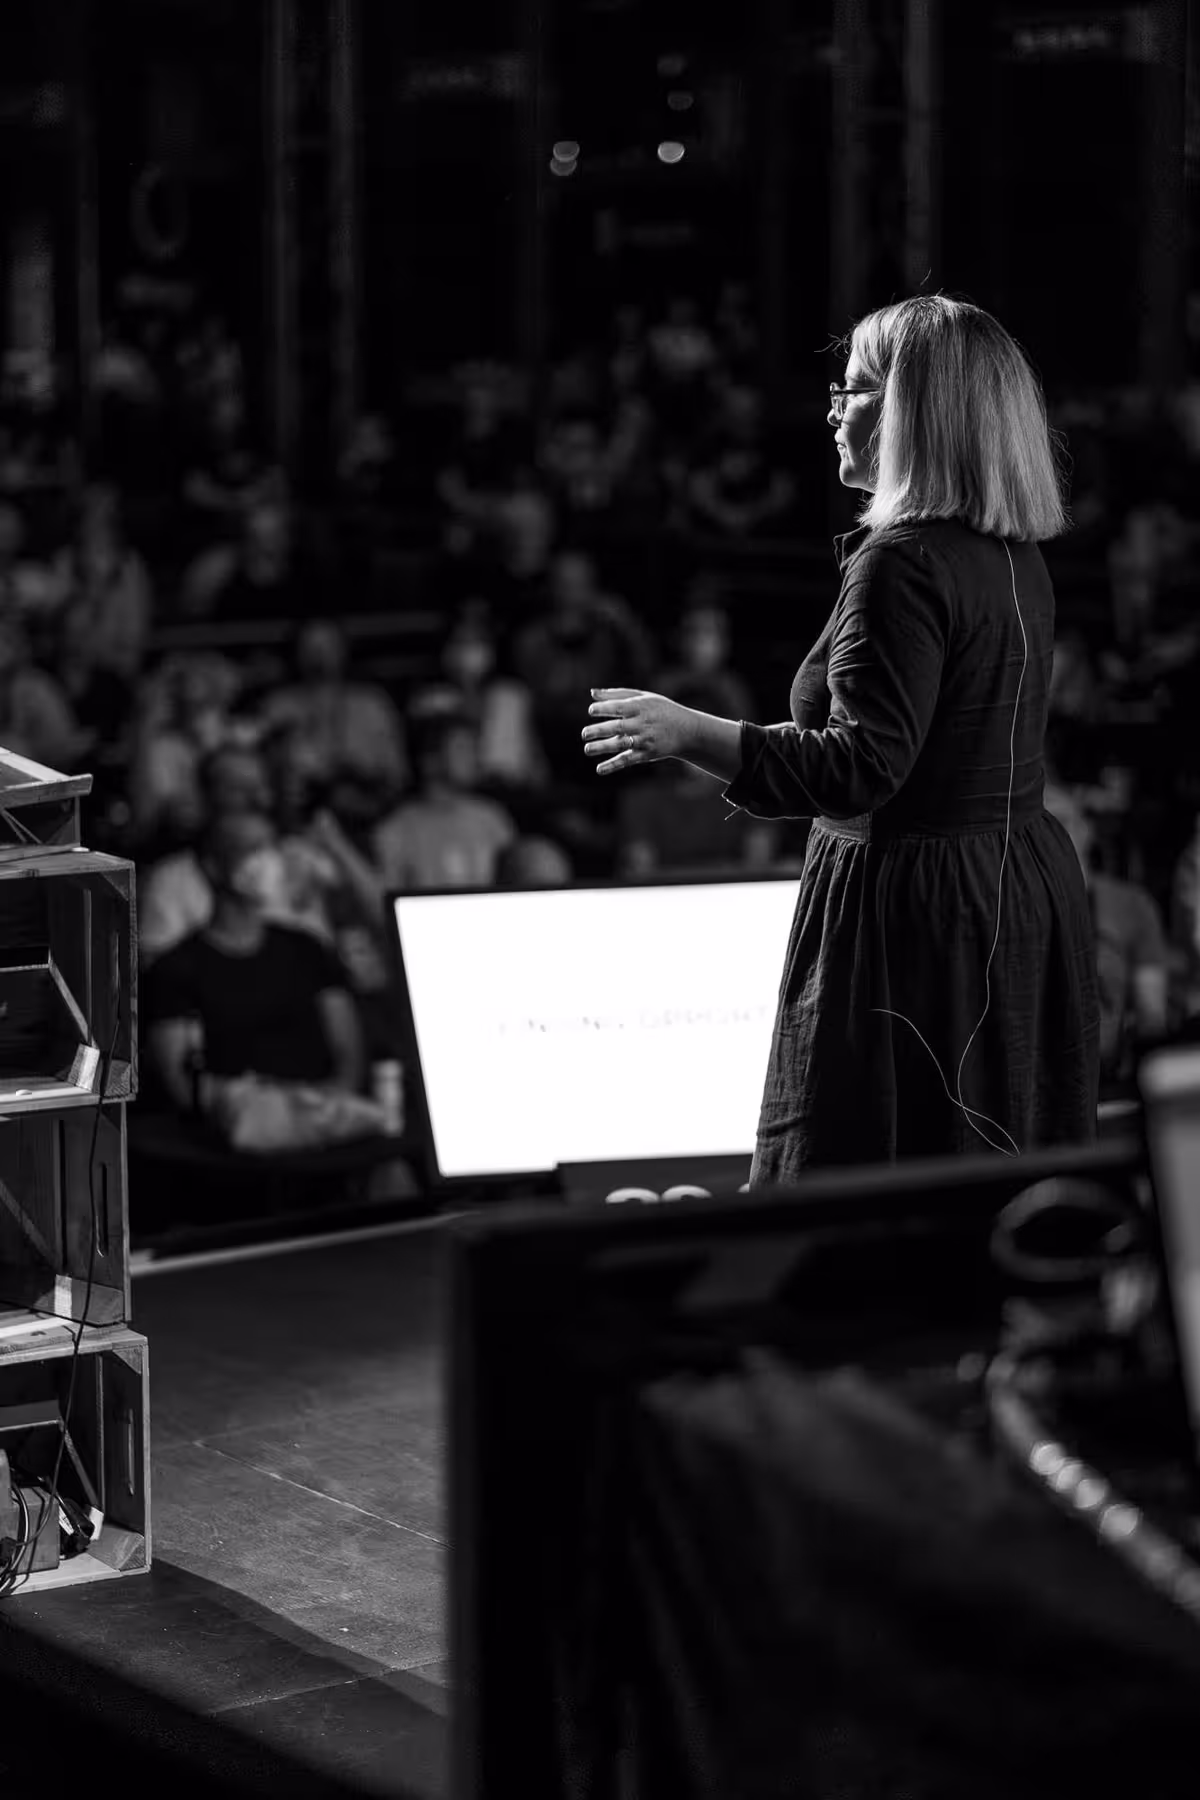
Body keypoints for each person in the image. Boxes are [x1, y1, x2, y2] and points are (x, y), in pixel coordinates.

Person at [580, 294, 1101, 1180]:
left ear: (914, 417)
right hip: (1015, 886)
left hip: (920, 912)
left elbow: (864, 766)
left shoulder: (901, 561)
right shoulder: (1011, 553)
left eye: (855, 387)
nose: (831, 405)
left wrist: (690, 732)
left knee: (866, 1192)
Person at [143, 810, 365, 1118]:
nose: (267, 860)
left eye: (270, 846)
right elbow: (180, 1084)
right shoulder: (176, 969)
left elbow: (348, 1052)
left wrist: (329, 1104)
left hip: (319, 1121)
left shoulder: (308, 949)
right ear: (211, 866)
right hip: (231, 1140)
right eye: (249, 848)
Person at [1044, 779, 1169, 1094]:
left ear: (1087, 830)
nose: (1053, 838)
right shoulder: (1010, 913)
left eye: (1063, 822)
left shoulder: (1131, 905)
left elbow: (1151, 1014)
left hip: (1111, 1084)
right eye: (1040, 828)